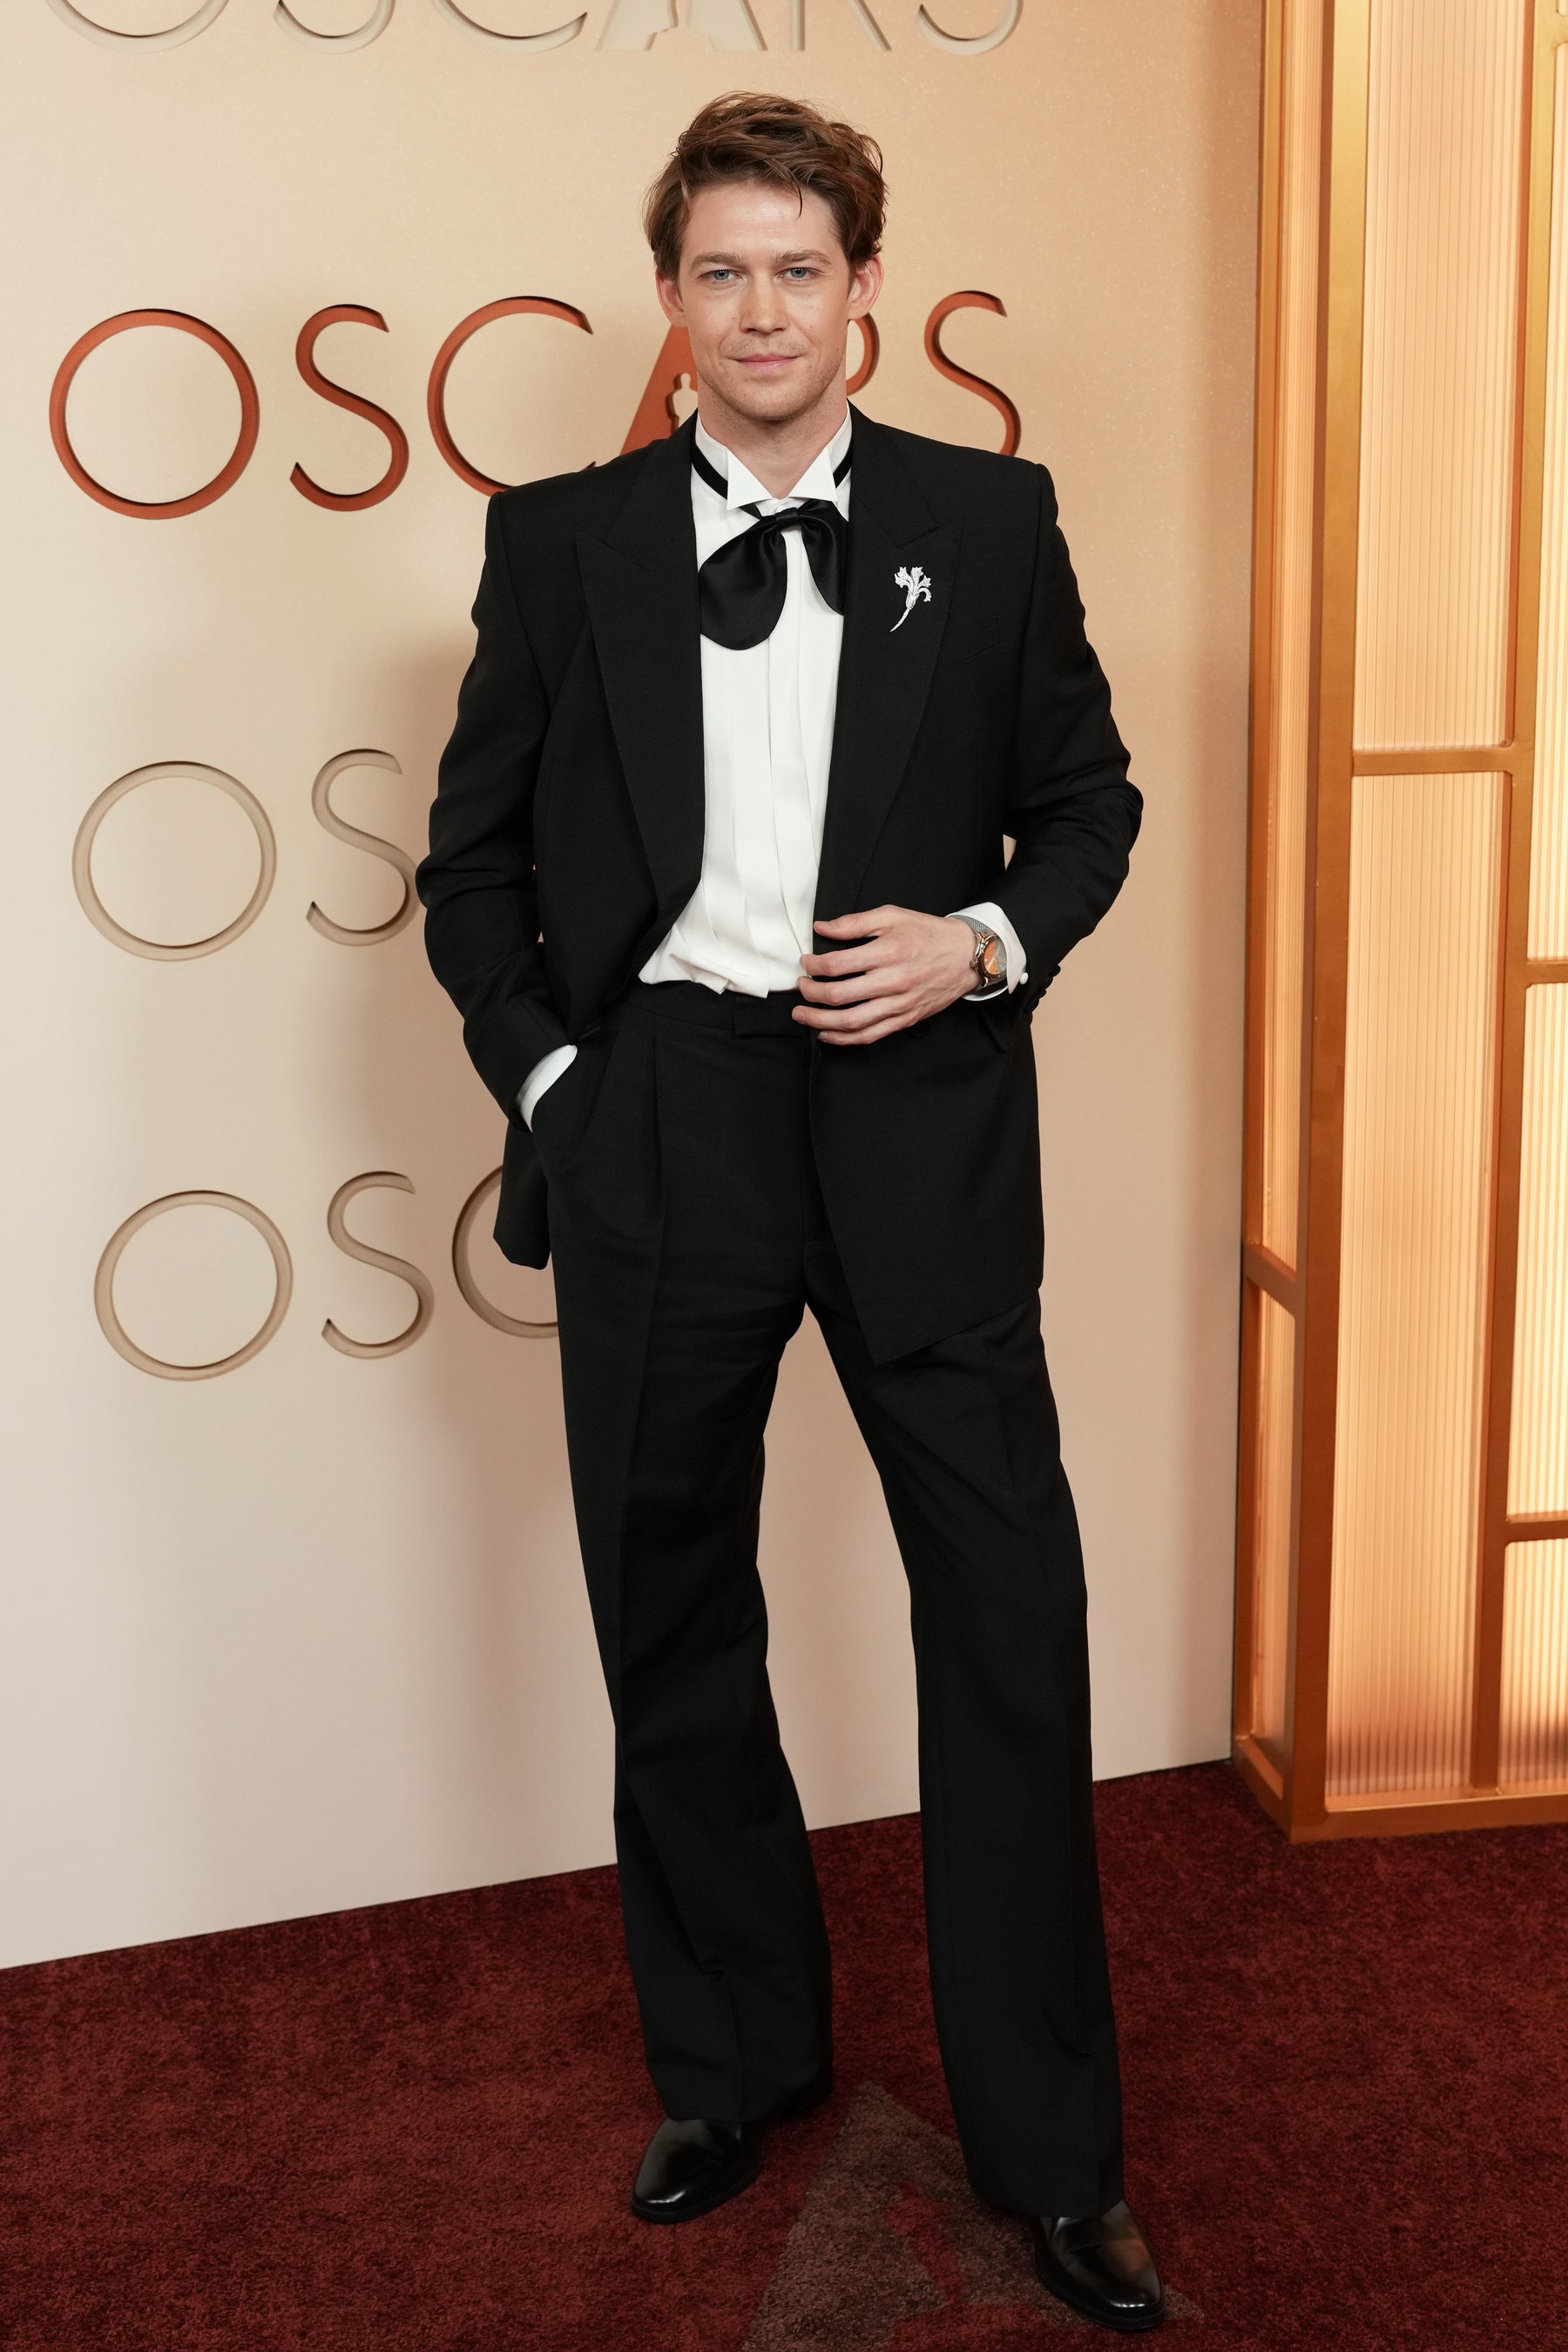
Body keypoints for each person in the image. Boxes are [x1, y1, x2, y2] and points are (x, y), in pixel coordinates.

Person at [416, 91, 1164, 2335]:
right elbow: (469, 865)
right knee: (671, 1605)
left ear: (865, 292)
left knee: (1009, 1615)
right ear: (672, 299)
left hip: (917, 1110)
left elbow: (1090, 805)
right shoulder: (561, 541)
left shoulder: (989, 518)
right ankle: (734, 2067)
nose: (761, 309)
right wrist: (564, 1086)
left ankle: (1056, 2156)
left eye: (799, 268)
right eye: (720, 271)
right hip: (664, 1116)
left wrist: (983, 944)